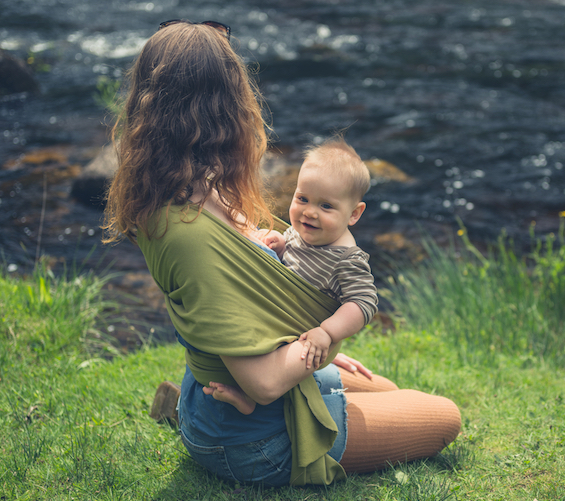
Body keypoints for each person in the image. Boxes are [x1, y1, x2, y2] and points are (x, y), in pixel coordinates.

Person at [103, 19, 461, 487]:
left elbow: (252, 300)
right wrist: (322, 343)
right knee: (445, 415)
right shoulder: (189, 234)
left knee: (388, 390)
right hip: (253, 438)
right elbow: (266, 383)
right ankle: (203, 429)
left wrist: (317, 347)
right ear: (222, 104)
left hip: (239, 385)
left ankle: (187, 411)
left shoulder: (193, 186)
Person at [206, 137, 377, 413]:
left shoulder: (347, 258)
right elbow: (293, 264)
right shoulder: (302, 234)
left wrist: (327, 332)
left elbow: (363, 303)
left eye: (326, 206)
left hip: (299, 330)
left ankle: (252, 398)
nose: (309, 212)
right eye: (302, 199)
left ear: (354, 214)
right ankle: (246, 390)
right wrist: (281, 244)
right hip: (280, 315)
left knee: (263, 347)